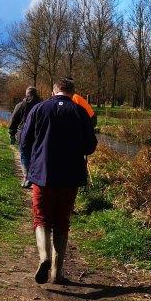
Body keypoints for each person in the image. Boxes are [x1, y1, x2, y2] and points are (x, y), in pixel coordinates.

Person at [19, 77, 97, 285]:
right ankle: (57, 273)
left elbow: (24, 141)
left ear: (54, 91)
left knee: (41, 218)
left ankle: (44, 257)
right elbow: (90, 147)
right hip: (70, 177)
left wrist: (33, 159)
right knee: (62, 222)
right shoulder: (80, 112)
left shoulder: (39, 109)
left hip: (42, 175)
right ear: (73, 93)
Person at [8, 86, 41, 187]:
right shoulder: (42, 105)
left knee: (25, 156)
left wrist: (12, 134)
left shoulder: (20, 105)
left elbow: (13, 121)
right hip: (38, 135)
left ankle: (27, 178)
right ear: (36, 94)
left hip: (23, 134)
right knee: (36, 156)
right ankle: (36, 177)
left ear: (26, 94)